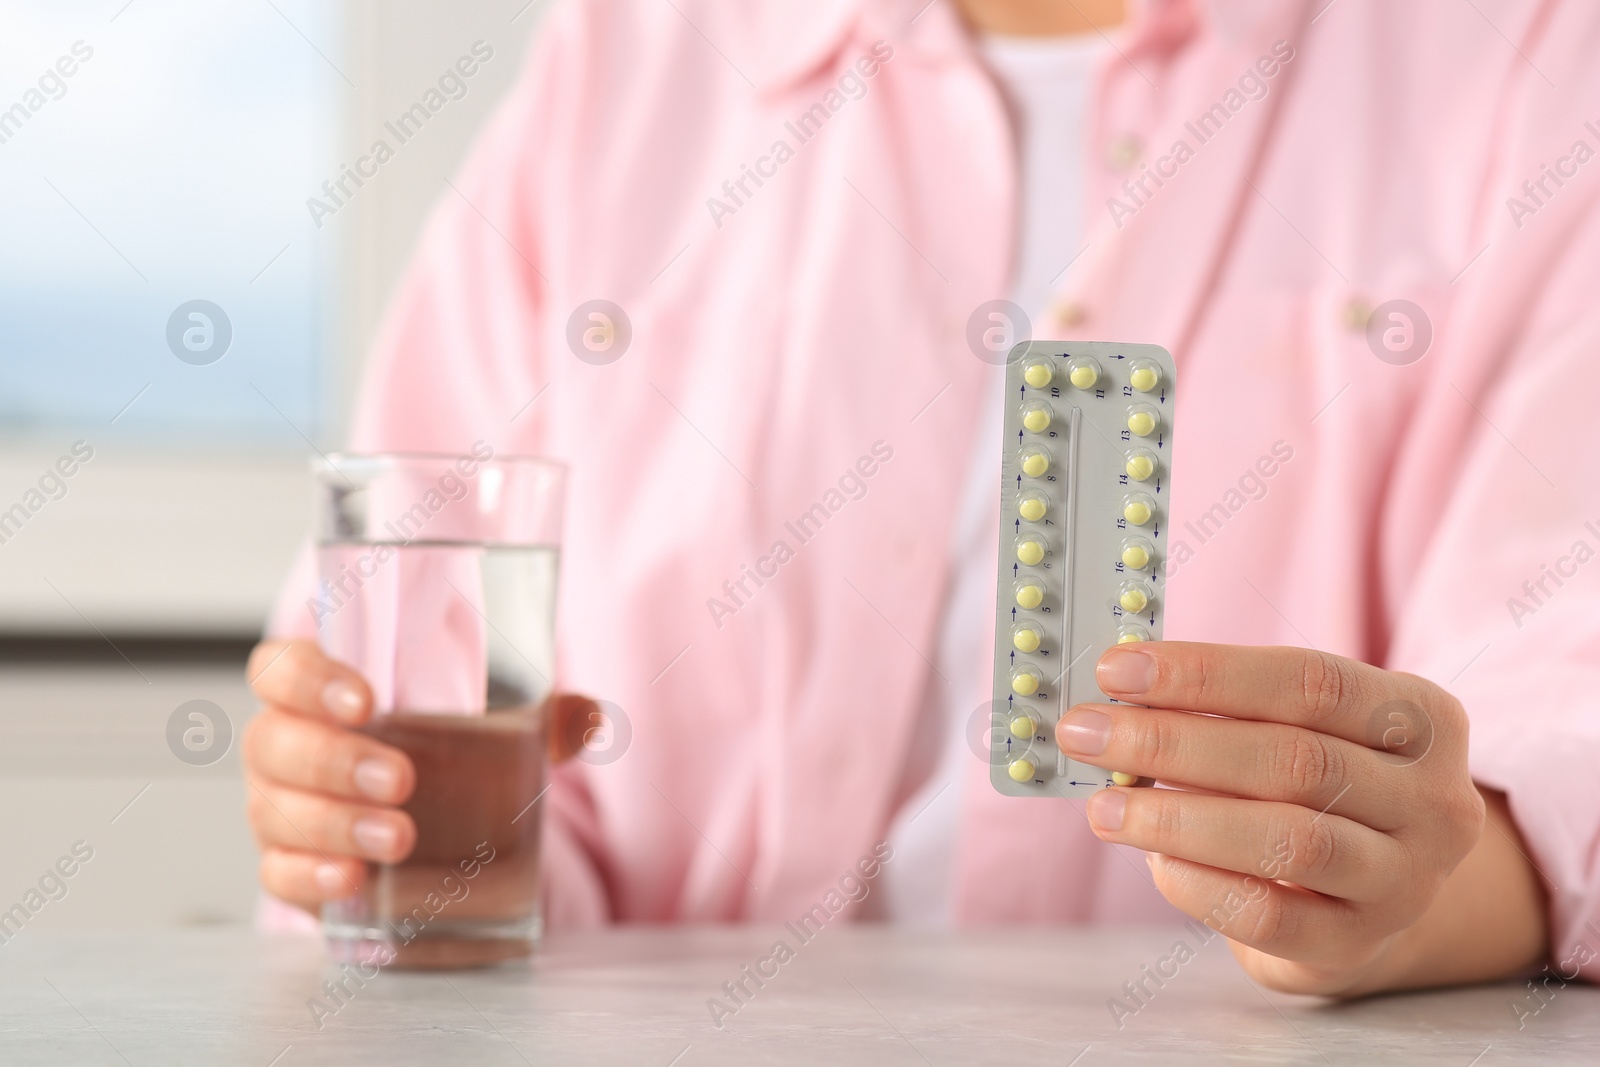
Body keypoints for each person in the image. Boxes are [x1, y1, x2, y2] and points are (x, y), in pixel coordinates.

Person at [241, 0, 1600, 996]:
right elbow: (452, 702)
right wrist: (401, 827)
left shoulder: (1526, 54)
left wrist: (1392, 896)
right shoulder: (632, 51)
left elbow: (1556, 738)